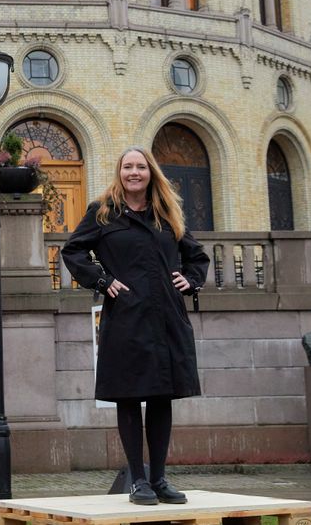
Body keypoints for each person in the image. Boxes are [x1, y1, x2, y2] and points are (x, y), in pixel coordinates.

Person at [60, 146, 210, 506]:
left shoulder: (166, 213)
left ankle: (159, 478)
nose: (134, 172)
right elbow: (73, 251)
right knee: (128, 397)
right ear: (119, 172)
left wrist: (190, 279)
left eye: (141, 167)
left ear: (150, 173)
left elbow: (197, 255)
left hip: (166, 317)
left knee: (161, 396)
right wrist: (102, 280)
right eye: (128, 166)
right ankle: (137, 481)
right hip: (126, 316)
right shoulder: (103, 212)